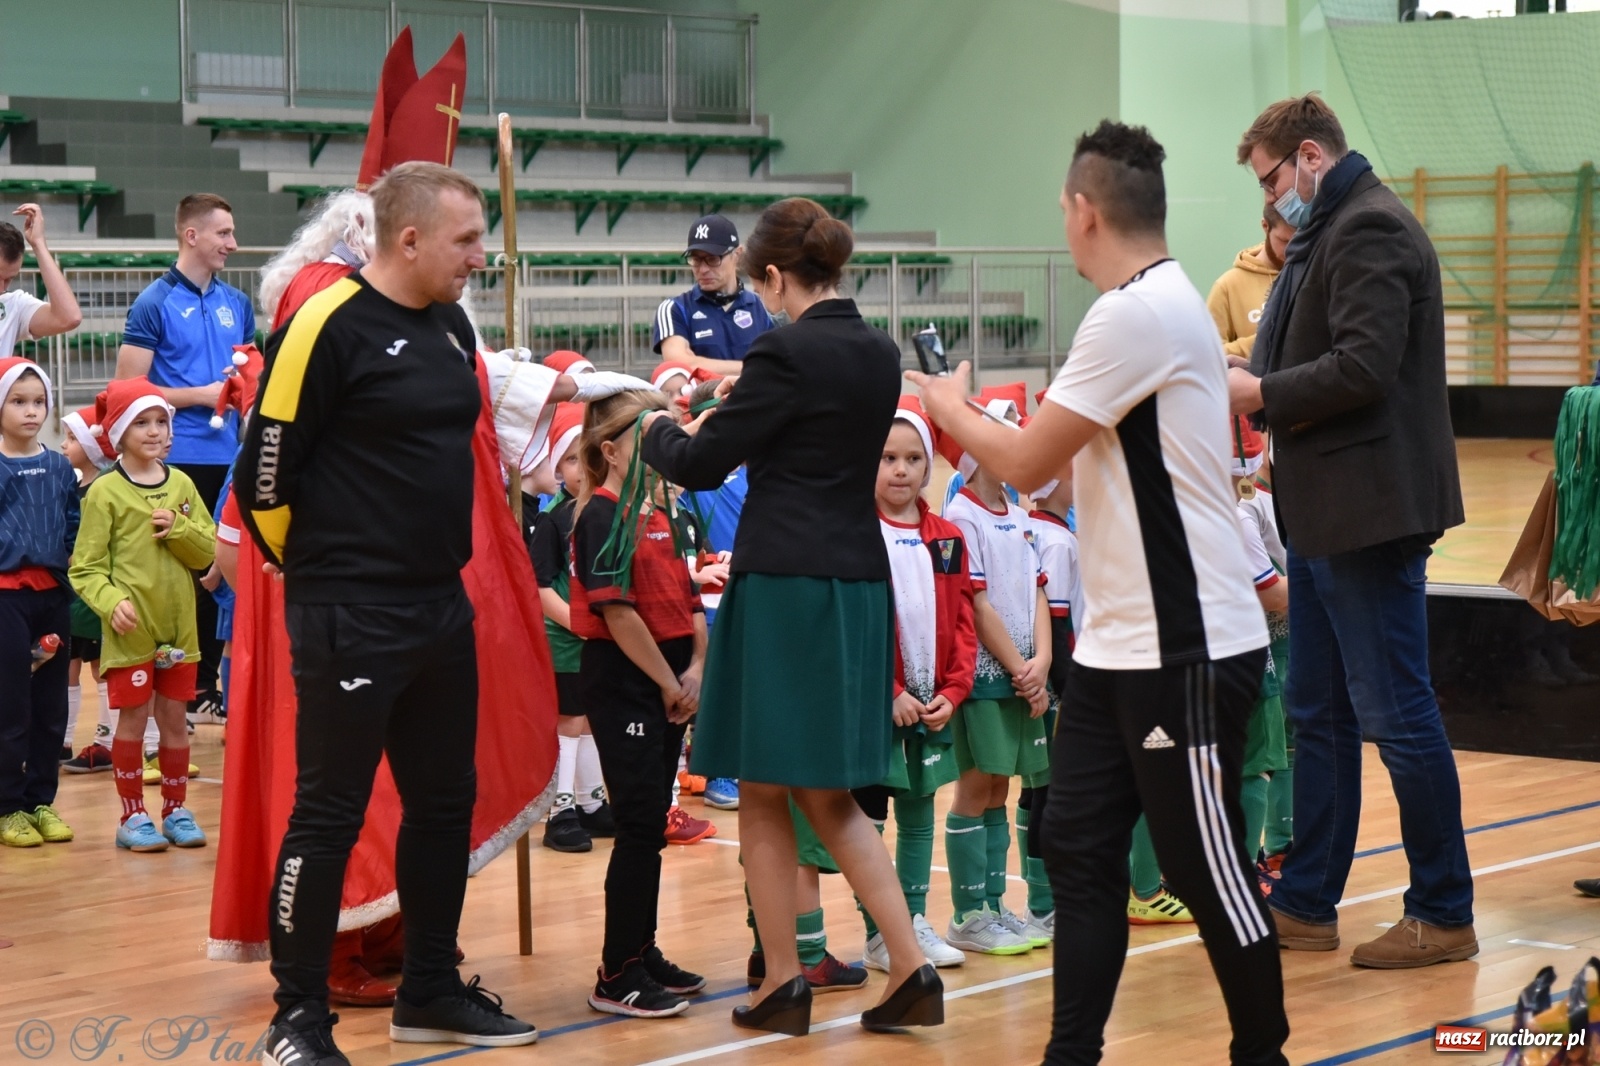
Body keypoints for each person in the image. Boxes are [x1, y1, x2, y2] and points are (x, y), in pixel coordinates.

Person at [911, 120, 1288, 1066]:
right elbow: (1071, 477)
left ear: (1082, 212)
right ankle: (1071, 1054)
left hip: (1187, 646)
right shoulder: (1156, 306)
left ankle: (1264, 1054)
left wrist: (946, 405)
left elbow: (1031, 456)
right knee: (1077, 852)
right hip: (1118, 651)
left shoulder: (1135, 313)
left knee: (1207, 873)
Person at [236, 164, 547, 1063]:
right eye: (466, 242)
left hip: (439, 610)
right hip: (351, 612)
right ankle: (295, 1020)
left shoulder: (450, 325)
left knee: (443, 805)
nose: (480, 259)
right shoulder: (321, 325)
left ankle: (430, 990)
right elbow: (263, 479)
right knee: (328, 815)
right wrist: (332, 576)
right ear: (406, 241)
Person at [643, 196, 943, 1038]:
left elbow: (703, 462)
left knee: (805, 790)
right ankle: (787, 977)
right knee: (784, 787)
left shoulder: (782, 350)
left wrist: (655, 426)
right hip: (854, 577)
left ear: (774, 275)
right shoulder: (876, 352)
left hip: (785, 584)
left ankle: (894, 966)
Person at [1228, 93, 1474, 969]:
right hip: (1325, 512)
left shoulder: (1370, 226)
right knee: (1318, 712)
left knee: (1396, 713)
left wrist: (1259, 393)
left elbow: (1365, 366)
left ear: (1309, 156)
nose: (1272, 200)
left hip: (1368, 512)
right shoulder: (1331, 225)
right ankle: (1306, 901)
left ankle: (1443, 910)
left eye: (1272, 179)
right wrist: (1242, 370)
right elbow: (1298, 353)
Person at [568, 388, 710, 1018]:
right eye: (646, 437)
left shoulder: (670, 512)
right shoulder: (599, 514)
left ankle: (642, 950)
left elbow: (690, 598)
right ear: (611, 450)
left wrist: (698, 668)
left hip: (672, 680)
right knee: (637, 823)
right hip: (628, 680)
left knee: (651, 822)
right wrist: (665, 681)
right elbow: (619, 616)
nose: (660, 450)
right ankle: (615, 972)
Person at [115, 193, 255, 724]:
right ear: (191, 235)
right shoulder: (153, 302)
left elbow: (250, 373)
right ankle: (184, 689)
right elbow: (128, 389)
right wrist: (198, 396)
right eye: (223, 233)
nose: (233, 244)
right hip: (179, 456)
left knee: (227, 572)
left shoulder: (236, 303)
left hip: (231, 455)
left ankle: (213, 686)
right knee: (190, 574)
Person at [70, 377, 215, 852]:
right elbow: (86, 568)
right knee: (131, 722)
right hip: (131, 633)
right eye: (142, 422)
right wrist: (113, 603)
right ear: (118, 431)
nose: (155, 432)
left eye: (161, 422)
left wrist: (180, 529)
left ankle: (175, 809)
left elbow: (208, 551)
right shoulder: (106, 492)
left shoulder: (184, 485)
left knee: (174, 720)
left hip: (180, 632)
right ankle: (132, 816)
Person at [857, 397, 976, 972]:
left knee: (920, 812)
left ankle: (912, 919)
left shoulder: (948, 537)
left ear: (929, 467)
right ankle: (880, 933)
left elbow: (962, 623)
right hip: (883, 706)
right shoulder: (856, 531)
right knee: (870, 819)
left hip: (932, 706)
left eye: (911, 459)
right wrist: (891, 690)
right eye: (886, 458)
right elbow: (857, 626)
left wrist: (952, 692)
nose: (899, 470)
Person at [936, 398, 1053, 956]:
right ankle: (967, 915)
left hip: (1022, 674)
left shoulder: (1021, 515)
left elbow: (1036, 589)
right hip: (986, 676)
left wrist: (1042, 664)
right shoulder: (963, 515)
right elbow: (977, 605)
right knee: (976, 786)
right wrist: (1017, 667)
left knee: (1001, 789)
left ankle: (993, 905)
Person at [526, 401, 617, 853]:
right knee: (571, 717)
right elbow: (539, 588)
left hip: (597, 638)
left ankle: (591, 801)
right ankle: (560, 809)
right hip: (565, 640)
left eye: (588, 455)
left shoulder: (606, 513)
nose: (582, 467)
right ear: (557, 469)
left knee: (590, 718)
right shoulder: (553, 519)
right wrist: (578, 623)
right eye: (570, 458)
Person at [0, 358, 79, 848]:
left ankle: (40, 800)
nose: (32, 412)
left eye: (39, 402)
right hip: (6, 597)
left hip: (53, 596)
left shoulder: (59, 466)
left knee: (52, 706)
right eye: (19, 401)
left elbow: (72, 524)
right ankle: (7, 806)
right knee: (11, 704)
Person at [57, 405, 116, 770]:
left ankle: (104, 741)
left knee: (100, 668)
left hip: (92, 593)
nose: (64, 446)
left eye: (72, 438)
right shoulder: (72, 485)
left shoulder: (103, 488)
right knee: (67, 665)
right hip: (69, 592)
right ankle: (61, 741)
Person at [652, 214, 775, 379]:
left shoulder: (763, 307)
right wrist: (754, 367)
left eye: (712, 259)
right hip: (703, 404)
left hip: (755, 403)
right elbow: (679, 365)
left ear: (737, 255)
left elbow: (778, 364)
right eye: (696, 260)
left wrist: (700, 364)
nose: (702, 269)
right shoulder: (674, 309)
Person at [1208, 205, 1296, 363]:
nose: (1293, 250)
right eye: (1284, 241)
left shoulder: (1311, 274)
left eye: (1299, 240)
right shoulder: (1227, 286)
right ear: (1265, 226)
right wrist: (1266, 339)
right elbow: (1207, 356)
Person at [0, 204, 84, 355]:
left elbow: (69, 318)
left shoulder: (14, 304)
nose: (2, 287)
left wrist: (39, 244)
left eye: (8, 279)